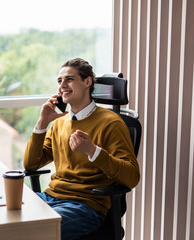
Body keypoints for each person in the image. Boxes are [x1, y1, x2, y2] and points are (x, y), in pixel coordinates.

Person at [23, 58, 140, 240]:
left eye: (69, 79)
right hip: (51, 197)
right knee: (9, 222)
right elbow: (31, 164)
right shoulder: (59, 123)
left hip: (85, 205)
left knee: (33, 232)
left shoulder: (111, 123)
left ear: (87, 82)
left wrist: (93, 151)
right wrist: (42, 122)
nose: (63, 86)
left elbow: (132, 177)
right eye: (60, 81)